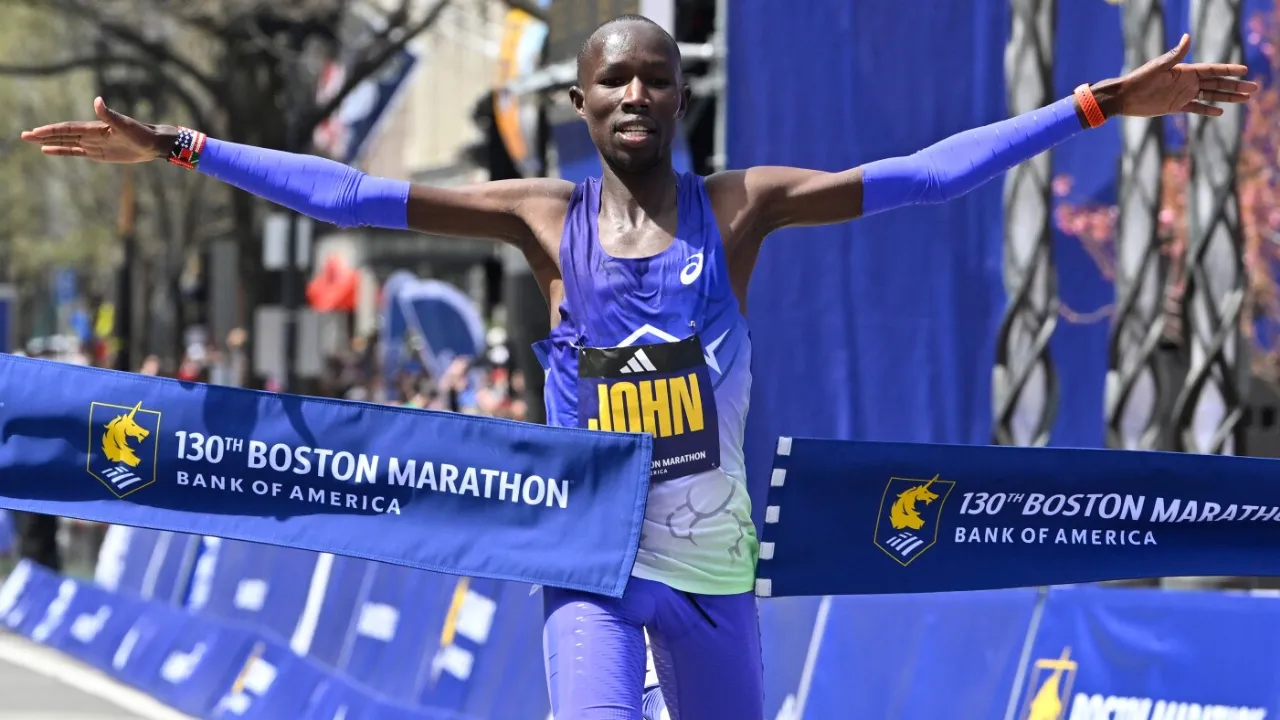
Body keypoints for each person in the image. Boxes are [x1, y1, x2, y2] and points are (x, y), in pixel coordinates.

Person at [21, 15, 1254, 720]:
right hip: (592, 570)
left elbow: (931, 173)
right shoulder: (534, 216)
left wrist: (1095, 104)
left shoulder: (743, 206)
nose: (637, 94)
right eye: (614, 76)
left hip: (717, 573)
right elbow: (346, 193)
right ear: (578, 98)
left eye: (657, 77)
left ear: (678, 99)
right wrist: (180, 146)